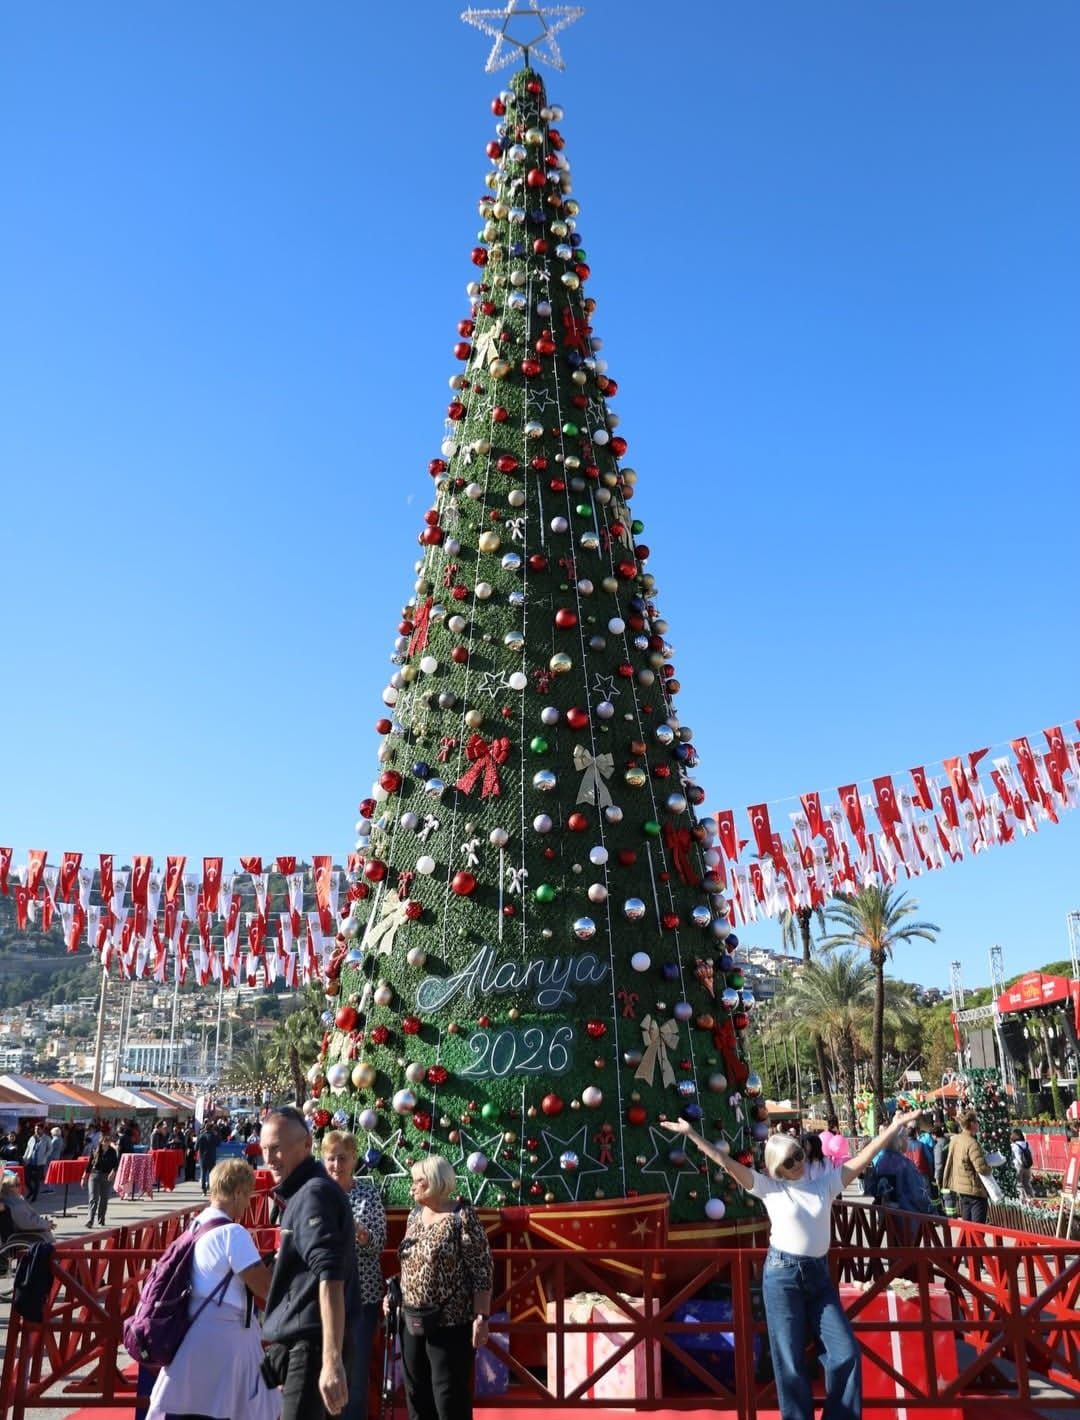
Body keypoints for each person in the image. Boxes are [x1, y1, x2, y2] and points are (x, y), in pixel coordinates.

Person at [662, 1107, 921, 1420]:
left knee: (845, 1353)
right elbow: (726, 1164)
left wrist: (892, 1128)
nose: (797, 1163)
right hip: (782, 1277)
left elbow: (864, 1157)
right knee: (790, 1361)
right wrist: (692, 1135)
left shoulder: (824, 1184)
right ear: (777, 1169)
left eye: (798, 1154)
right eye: (788, 1161)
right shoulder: (770, 1189)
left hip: (819, 1276)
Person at [145, 1158, 280, 1420]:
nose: (249, 1202)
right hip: (225, 1341)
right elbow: (263, 1287)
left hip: (196, 1333)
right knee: (231, 1410)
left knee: (196, 1411)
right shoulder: (232, 1232)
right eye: (248, 1195)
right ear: (239, 1192)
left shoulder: (197, 1224)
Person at [261, 1105, 357, 1420]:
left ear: (305, 1146)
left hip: (312, 1344)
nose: (268, 1158)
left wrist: (331, 1359)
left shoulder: (314, 1193)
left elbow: (330, 1277)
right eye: (264, 1149)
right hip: (304, 1342)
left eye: (276, 1148)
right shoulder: (305, 1192)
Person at [396, 1155, 494, 1420]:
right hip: (411, 1320)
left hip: (451, 1322)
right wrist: (394, 1291)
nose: (412, 1187)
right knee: (417, 1398)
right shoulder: (414, 1216)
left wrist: (481, 1317)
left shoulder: (462, 1216)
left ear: (436, 1182)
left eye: (418, 1181)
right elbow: (410, 1261)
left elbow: (482, 1270)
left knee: (449, 1399)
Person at [322, 1131, 388, 1420]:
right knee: (323, 1368)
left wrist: (362, 1236)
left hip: (363, 1295)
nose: (337, 1164)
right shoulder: (317, 1193)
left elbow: (379, 1243)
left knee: (356, 1374)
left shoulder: (367, 1194)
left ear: (354, 1160)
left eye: (342, 1158)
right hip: (323, 1296)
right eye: (331, 1158)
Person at [941, 1111, 992, 1224]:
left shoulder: (955, 1139)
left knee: (967, 1226)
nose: (978, 1124)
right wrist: (990, 1167)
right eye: (977, 1122)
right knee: (978, 1229)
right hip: (974, 1189)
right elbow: (981, 1168)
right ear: (972, 1124)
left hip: (961, 1187)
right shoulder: (972, 1143)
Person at [0, 1173, 56, 1259]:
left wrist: (44, 1223)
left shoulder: (15, 1201)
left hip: (28, 1231)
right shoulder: (15, 1205)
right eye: (17, 1185)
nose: (20, 1187)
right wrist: (46, 1225)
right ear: (8, 1188)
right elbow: (28, 1223)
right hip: (28, 1235)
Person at [82, 1132, 120, 1228]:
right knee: (93, 1199)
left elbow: (116, 1164)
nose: (107, 1143)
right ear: (101, 1142)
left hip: (107, 1177)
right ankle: (90, 1220)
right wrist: (84, 1178)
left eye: (108, 1141)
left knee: (104, 1199)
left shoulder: (112, 1151)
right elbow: (89, 1165)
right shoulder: (95, 1150)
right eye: (105, 1141)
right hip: (95, 1176)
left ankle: (101, 1218)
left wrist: (113, 1172)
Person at [22, 1122, 51, 1202]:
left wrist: (45, 1156)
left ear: (42, 1129)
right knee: (26, 1178)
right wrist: (25, 1158)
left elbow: (50, 1149)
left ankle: (34, 1196)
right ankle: (31, 1191)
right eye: (35, 1128)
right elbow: (28, 1148)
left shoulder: (47, 1138)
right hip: (30, 1161)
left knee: (36, 1180)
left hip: (40, 1163)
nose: (36, 1130)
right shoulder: (32, 1138)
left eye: (38, 1129)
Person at [1010, 1128, 1034, 1198]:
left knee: (1019, 1184)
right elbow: (1031, 1153)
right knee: (1027, 1184)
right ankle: (1032, 1199)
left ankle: (1022, 1201)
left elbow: (1014, 1157)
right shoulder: (1027, 1144)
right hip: (1028, 1166)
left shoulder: (1014, 1146)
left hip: (1018, 1167)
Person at [197, 1123, 219, 1195]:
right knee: (211, 1173)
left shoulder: (200, 1136)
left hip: (202, 1157)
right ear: (211, 1129)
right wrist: (216, 1135)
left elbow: (195, 1147)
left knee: (203, 1173)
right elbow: (218, 1144)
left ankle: (204, 1190)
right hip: (211, 1157)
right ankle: (210, 1186)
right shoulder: (213, 1136)